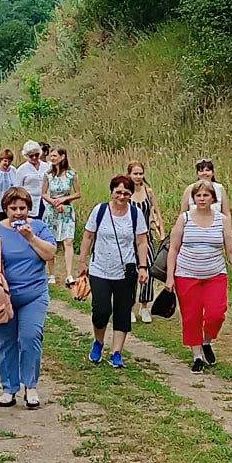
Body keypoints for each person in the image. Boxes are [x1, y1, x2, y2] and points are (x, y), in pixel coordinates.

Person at [0, 187, 57, 408]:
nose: (18, 213)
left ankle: (30, 387)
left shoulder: (38, 227)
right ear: (5, 209)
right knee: (5, 342)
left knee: (31, 338)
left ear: (29, 209)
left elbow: (50, 253)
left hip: (34, 295)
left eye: (22, 208)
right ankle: (9, 389)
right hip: (3, 297)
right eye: (13, 208)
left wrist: (30, 237)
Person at [165, 179, 232, 372]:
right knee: (191, 316)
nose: (202, 199)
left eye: (206, 195)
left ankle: (207, 341)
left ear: (213, 198)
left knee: (215, 314)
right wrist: (170, 277)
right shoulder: (184, 219)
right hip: (186, 274)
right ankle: (197, 356)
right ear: (193, 199)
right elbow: (173, 248)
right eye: (198, 195)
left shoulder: (222, 221)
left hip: (215, 274)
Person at [78, 175, 150, 369]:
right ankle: (98, 342)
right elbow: (87, 236)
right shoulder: (99, 211)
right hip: (100, 268)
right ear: (111, 192)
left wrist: (143, 267)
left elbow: (142, 242)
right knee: (101, 310)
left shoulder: (135, 214)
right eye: (118, 192)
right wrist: (82, 261)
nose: (122, 196)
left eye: (126, 193)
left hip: (126, 270)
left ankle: (116, 352)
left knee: (123, 311)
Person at [127, 160, 165, 323]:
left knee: (148, 270)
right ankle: (128, 307)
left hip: (146, 237)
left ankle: (144, 306)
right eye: (135, 173)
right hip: (128, 238)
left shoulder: (148, 192)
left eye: (140, 173)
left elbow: (156, 212)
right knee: (130, 272)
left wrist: (161, 232)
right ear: (129, 174)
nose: (138, 176)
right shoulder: (125, 191)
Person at [42, 147, 81, 286]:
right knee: (51, 241)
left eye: (55, 156)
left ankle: (69, 274)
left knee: (68, 241)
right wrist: (53, 201)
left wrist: (64, 200)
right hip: (52, 211)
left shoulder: (71, 174)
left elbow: (78, 193)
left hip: (66, 210)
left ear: (62, 157)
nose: (52, 158)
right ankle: (51, 273)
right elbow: (44, 193)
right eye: (51, 156)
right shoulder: (48, 175)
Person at [14, 140, 51, 220]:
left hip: (45, 201)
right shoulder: (22, 169)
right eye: (31, 156)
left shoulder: (47, 166)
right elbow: (17, 188)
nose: (34, 157)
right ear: (26, 156)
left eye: (36, 155)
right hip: (29, 202)